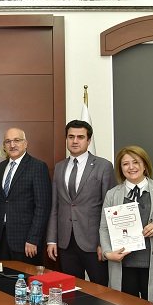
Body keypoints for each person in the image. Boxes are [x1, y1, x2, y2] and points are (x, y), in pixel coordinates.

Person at [99, 146, 153, 304]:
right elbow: (104, 228)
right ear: (121, 168)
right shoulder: (112, 194)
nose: (131, 167)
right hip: (124, 265)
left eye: (136, 162)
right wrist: (107, 253)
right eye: (125, 164)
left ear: (145, 165)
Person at [46, 120, 115, 285]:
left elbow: (109, 208)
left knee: (100, 290)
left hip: (94, 242)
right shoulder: (59, 167)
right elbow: (55, 206)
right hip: (66, 242)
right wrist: (52, 240)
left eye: (80, 137)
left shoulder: (103, 166)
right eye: (71, 137)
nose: (75, 141)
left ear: (88, 140)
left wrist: (104, 243)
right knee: (71, 289)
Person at [0, 128, 51, 265]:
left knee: (26, 278)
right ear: (4, 146)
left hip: (27, 242)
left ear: (25, 143)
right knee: (2, 277)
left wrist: (33, 239)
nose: (12, 145)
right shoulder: (0, 168)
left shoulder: (38, 167)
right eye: (8, 141)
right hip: (1, 239)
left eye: (17, 140)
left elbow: (42, 207)